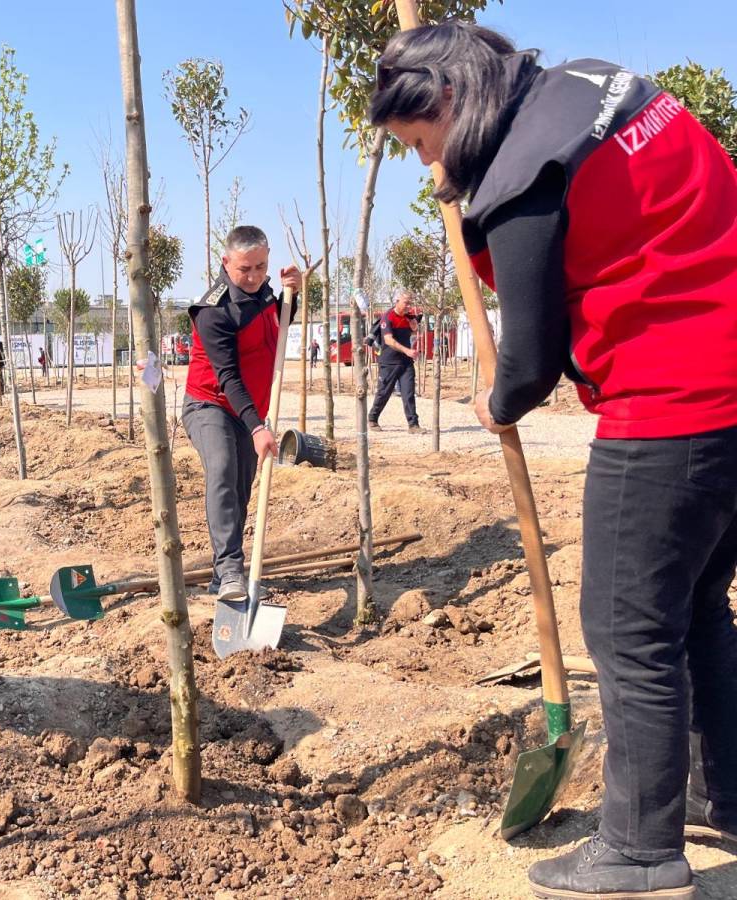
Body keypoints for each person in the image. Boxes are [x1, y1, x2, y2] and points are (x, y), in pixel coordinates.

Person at [372, 20, 737, 900]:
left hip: (674, 404)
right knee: (694, 610)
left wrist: (495, 400)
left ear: (450, 102)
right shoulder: (597, 85)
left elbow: (530, 363)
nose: (431, 170)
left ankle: (639, 852)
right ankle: (716, 793)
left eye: (422, 145)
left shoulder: (521, 175)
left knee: (625, 628)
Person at [182, 225, 302, 601]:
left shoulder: (265, 290)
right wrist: (257, 427)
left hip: (249, 410)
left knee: (241, 489)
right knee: (222, 469)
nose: (253, 277)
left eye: (260, 267)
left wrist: (291, 294)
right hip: (210, 404)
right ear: (225, 262)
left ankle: (222, 575)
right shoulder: (213, 311)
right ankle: (232, 570)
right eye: (244, 270)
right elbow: (228, 377)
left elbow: (277, 325)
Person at [368, 290, 423, 434]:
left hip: (406, 362)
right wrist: (407, 351)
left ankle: (413, 425)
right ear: (397, 301)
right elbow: (389, 340)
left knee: (408, 393)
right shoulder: (388, 317)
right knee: (384, 392)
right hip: (389, 362)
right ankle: (373, 418)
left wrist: (414, 327)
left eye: (410, 304)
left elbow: (413, 332)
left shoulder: (409, 317)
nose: (408, 306)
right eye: (406, 303)